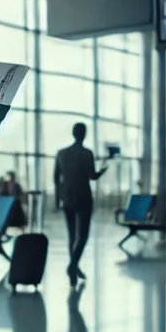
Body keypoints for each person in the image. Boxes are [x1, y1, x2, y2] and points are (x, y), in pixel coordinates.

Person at [54, 123, 108, 287]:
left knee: (72, 235)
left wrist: (58, 198)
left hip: (67, 197)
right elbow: (92, 176)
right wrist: (103, 170)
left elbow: (56, 178)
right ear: (84, 134)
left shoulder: (61, 153)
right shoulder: (87, 153)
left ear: (73, 133)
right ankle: (73, 266)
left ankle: (74, 268)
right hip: (84, 196)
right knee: (82, 235)